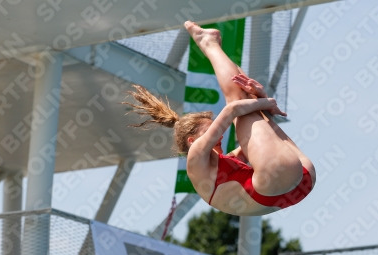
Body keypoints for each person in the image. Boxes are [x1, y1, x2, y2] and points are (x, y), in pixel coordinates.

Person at [123, 21, 316, 216]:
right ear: (192, 140)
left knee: (246, 102)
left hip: (294, 184)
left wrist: (261, 100)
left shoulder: (221, 164)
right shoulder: (195, 156)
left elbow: (260, 134)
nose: (221, 135)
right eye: (211, 131)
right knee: (239, 102)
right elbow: (232, 109)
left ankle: (212, 46)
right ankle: (207, 43)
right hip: (286, 180)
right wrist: (265, 102)